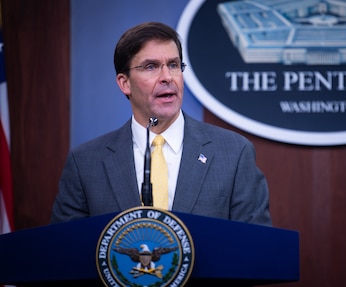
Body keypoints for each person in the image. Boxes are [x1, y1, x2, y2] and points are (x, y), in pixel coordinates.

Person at [50, 22, 272, 227]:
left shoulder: (233, 153)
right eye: (151, 67)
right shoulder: (86, 163)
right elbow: (65, 253)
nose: (167, 77)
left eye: (174, 65)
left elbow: (256, 248)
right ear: (124, 83)